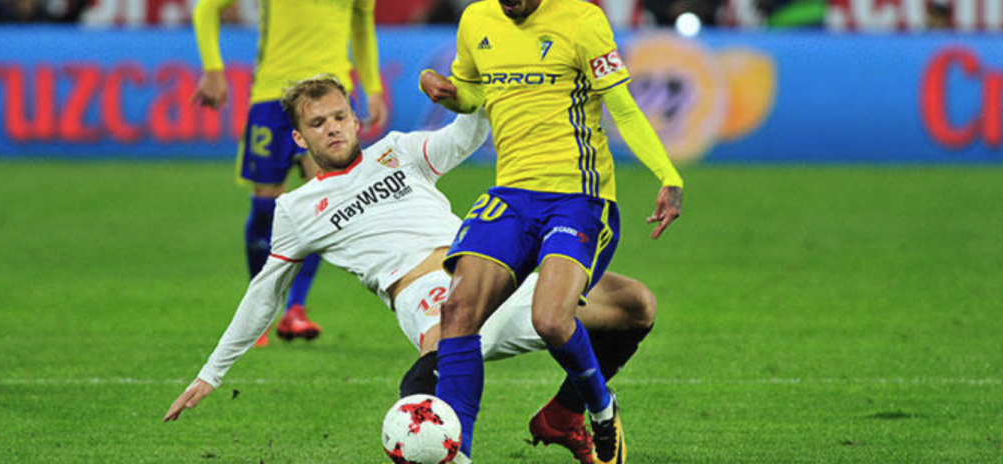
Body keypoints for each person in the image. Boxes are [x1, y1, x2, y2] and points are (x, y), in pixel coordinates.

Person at [163, 75, 658, 464]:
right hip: (429, 299)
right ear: (298, 137)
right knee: (438, 362)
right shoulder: (297, 209)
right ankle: (423, 424)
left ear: (356, 120)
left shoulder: (398, 151)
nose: (332, 128)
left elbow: (466, 136)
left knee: (636, 305)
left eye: (339, 116)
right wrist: (211, 373)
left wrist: (465, 96)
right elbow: (264, 292)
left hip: (495, 272)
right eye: (317, 123)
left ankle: (564, 415)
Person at [419, 0, 684, 464]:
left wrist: (668, 175)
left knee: (550, 319)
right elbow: (475, 92)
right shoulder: (476, 21)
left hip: (578, 199)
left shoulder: (583, 22)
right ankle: (457, 453)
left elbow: (623, 108)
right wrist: (448, 93)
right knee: (457, 313)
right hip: (512, 195)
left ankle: (601, 410)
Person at [190, 0, 387, 346]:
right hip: (273, 97)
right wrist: (213, 69)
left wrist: (373, 86)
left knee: (322, 205)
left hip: (328, 102)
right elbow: (208, 6)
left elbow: (362, 28)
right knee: (266, 206)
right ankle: (258, 310)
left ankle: (295, 308)